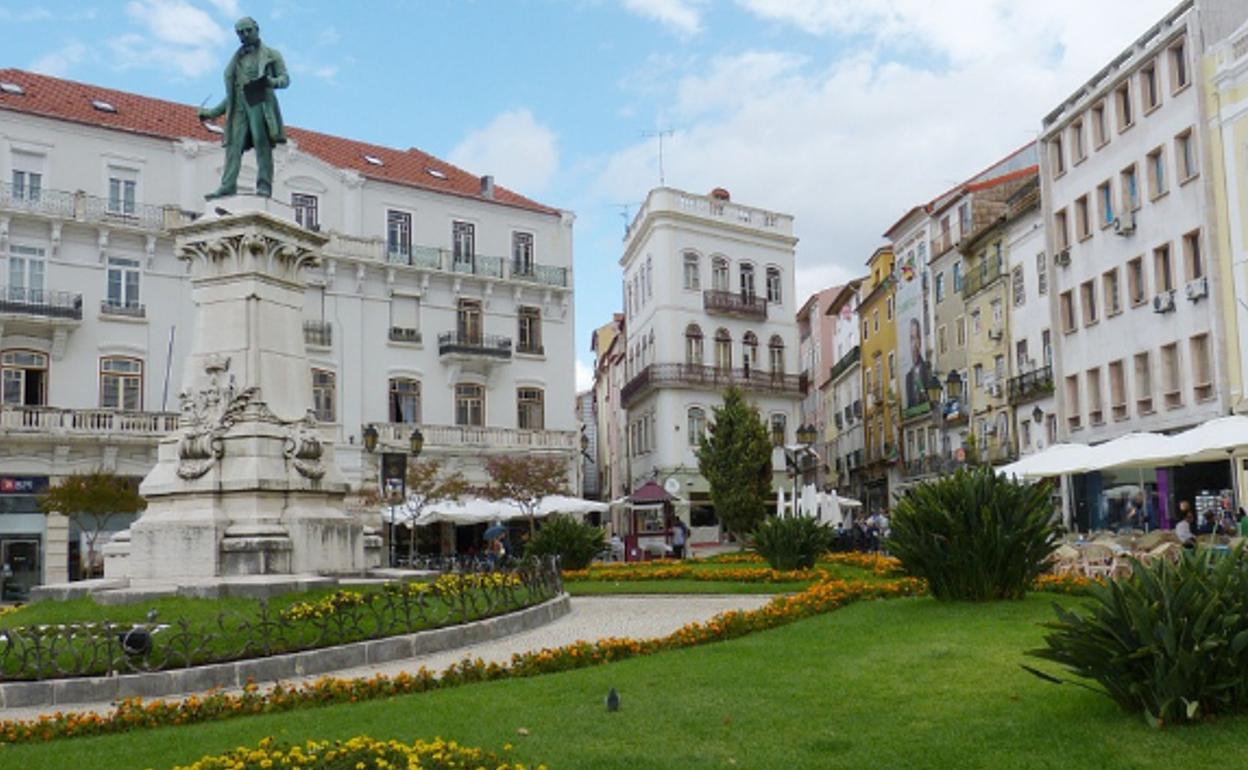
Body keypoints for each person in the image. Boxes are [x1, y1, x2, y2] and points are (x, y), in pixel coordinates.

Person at [198, 17, 290, 199]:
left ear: (257, 29)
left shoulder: (272, 54)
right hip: (240, 105)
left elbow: (285, 79)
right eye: (240, 32)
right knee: (233, 146)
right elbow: (232, 95)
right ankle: (228, 185)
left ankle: (264, 185)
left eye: (248, 30)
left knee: (261, 144)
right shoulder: (236, 60)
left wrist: (270, 82)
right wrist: (212, 113)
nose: (245, 35)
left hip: (259, 101)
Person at [902, 318, 933, 410]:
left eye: (917, 338)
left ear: (920, 341)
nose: (914, 344)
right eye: (912, 338)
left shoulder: (927, 369)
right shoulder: (908, 377)